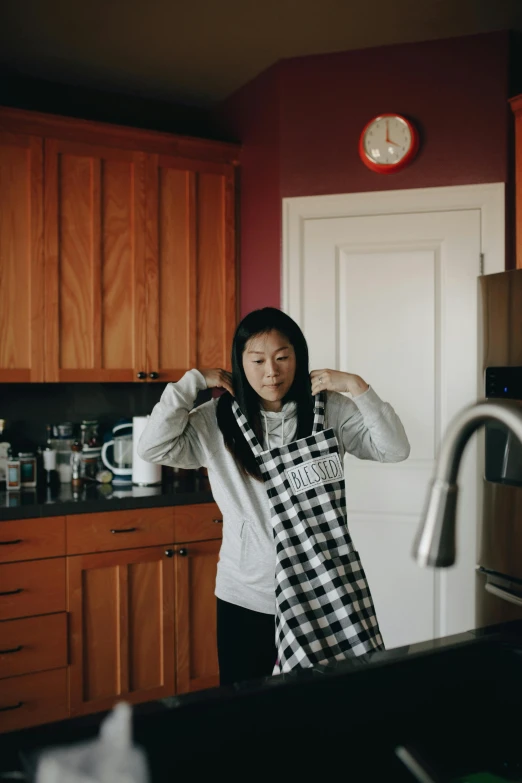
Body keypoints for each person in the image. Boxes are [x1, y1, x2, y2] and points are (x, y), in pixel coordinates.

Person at [138, 307, 410, 686]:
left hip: (325, 588)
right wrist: (193, 381)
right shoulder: (215, 420)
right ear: (239, 362)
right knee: (248, 714)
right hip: (248, 594)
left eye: (283, 357)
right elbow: (153, 448)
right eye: (258, 360)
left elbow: (394, 449)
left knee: (331, 708)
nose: (272, 371)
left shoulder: (329, 410)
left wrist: (358, 387)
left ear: (299, 357)